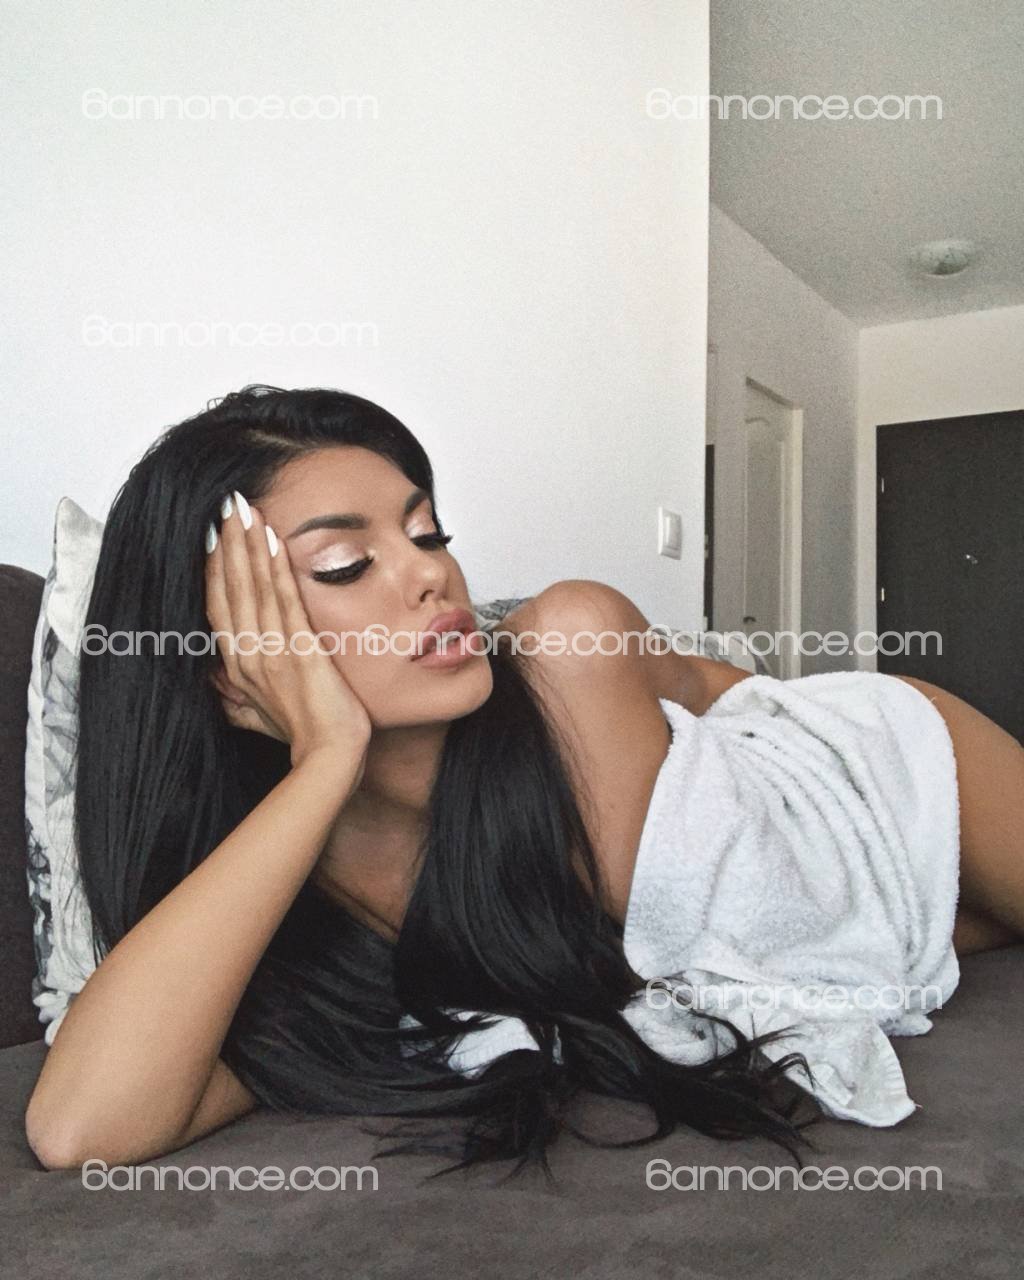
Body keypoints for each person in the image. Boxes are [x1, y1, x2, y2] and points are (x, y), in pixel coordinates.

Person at [24, 385, 1023, 1175]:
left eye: (427, 534)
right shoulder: (289, 917)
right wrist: (323, 759)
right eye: (344, 562)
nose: (431, 576)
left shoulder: (567, 646)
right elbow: (81, 1130)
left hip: (875, 780)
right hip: (871, 924)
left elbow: (731, 692)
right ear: (222, 656)